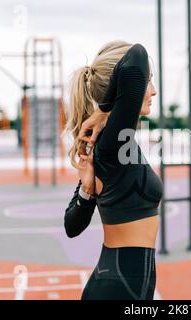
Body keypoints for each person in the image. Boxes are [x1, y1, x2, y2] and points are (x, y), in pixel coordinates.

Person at [63, 41, 162, 300]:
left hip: (118, 284)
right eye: (147, 81)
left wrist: (87, 190)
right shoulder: (113, 141)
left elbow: (72, 225)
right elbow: (137, 54)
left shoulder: (110, 142)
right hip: (118, 289)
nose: (152, 91)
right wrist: (105, 109)